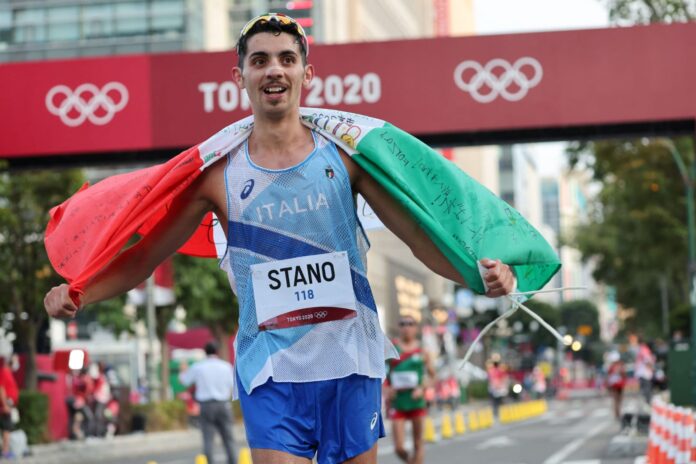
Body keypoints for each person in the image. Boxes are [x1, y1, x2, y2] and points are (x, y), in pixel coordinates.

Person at [44, 12, 517, 464]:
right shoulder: (216, 176)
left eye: (287, 59)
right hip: (270, 371)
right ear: (240, 76)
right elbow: (145, 257)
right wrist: (80, 293)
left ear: (306, 74)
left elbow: (414, 235)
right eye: (260, 60)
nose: (274, 70)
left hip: (350, 361)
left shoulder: (345, 158)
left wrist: (477, 276)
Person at [384, 315, 435, 464]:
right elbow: (381, 373)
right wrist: (387, 389)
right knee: (399, 448)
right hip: (398, 401)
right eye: (402, 323)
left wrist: (422, 388)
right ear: (398, 327)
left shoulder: (422, 352)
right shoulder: (391, 349)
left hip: (416, 401)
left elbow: (433, 377)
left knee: (418, 443)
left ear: (416, 328)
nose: (406, 327)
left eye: (410, 324)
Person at [179, 342, 236, 464]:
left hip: (206, 406)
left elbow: (184, 381)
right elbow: (232, 385)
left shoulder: (198, 367)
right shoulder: (226, 366)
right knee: (228, 439)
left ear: (205, 352)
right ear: (217, 352)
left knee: (208, 440)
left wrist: (183, 370)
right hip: (223, 404)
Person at [0, 357, 18, 459]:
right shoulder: (3, 372)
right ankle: (5, 451)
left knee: (7, 428)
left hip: (8, 405)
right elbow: (1, 389)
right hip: (4, 406)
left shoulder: (8, 373)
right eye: (15, 361)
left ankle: (5, 450)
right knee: (6, 428)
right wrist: (5, 405)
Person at [487, 354, 509, 419]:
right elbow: (490, 379)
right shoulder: (491, 370)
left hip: (500, 388)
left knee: (501, 400)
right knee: (494, 401)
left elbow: (505, 378)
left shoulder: (501, 369)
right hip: (494, 388)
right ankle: (495, 412)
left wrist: (502, 385)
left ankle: (502, 412)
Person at [605, 351, 626, 421]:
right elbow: (609, 377)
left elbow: (623, 375)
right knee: (616, 400)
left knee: (618, 400)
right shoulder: (612, 367)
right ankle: (617, 414)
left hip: (619, 385)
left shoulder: (619, 366)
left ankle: (618, 413)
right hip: (615, 386)